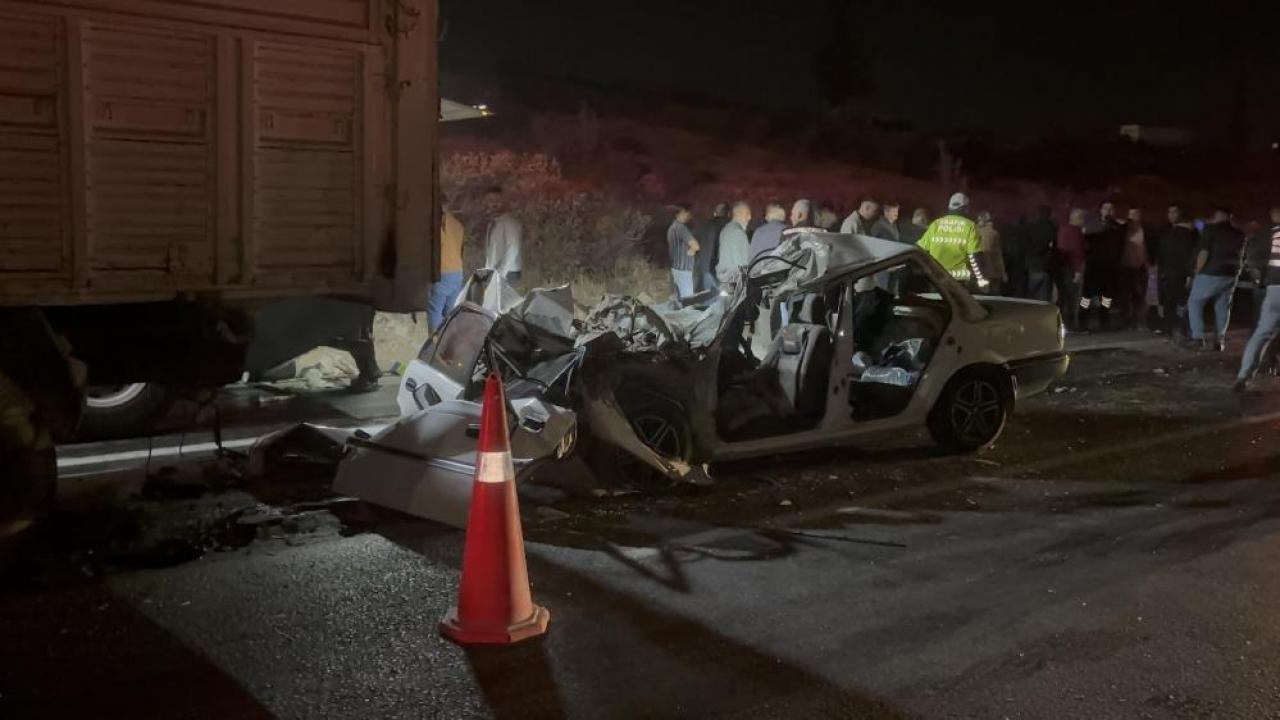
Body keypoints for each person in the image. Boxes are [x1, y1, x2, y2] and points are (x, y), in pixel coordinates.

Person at [1185, 208, 1245, 351]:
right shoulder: (1239, 233)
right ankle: (1220, 340)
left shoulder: (1210, 230)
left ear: (1216, 215)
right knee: (1222, 306)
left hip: (1211, 272)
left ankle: (1198, 337)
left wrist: (1196, 272)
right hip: (1231, 273)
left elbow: (1204, 253)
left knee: (1194, 302)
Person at [1235, 208, 1280, 390]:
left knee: (1262, 333)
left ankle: (1244, 375)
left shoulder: (1268, 235)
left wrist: (1262, 279)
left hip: (1275, 287)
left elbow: (1253, 259)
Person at [917, 192, 987, 289]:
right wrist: (981, 279)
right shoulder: (970, 226)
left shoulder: (936, 224)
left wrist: (925, 270)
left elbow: (920, 249)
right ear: (966, 209)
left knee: (936, 304)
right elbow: (974, 256)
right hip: (958, 281)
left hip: (936, 278)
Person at [1080, 201, 1125, 330]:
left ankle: (1104, 319)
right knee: (1087, 295)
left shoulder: (1117, 227)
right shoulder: (1092, 225)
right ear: (1100, 210)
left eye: (1111, 208)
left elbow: (1120, 247)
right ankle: (1083, 318)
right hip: (1093, 265)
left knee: (1107, 295)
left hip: (1109, 267)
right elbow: (1085, 244)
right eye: (1105, 208)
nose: (1108, 211)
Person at [1156, 205, 1198, 339]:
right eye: (1169, 212)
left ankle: (1174, 328)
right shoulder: (1169, 233)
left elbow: (1188, 254)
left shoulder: (1183, 234)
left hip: (1176, 273)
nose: (1171, 215)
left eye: (1174, 212)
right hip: (1174, 273)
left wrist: (1189, 273)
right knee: (1176, 302)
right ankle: (1176, 328)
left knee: (1176, 302)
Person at [426, 207, 466, 333]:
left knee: (434, 311)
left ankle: (435, 345)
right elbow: (461, 250)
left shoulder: (433, 224)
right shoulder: (457, 224)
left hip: (442, 272)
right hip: (458, 272)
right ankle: (449, 342)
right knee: (451, 312)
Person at [481, 186, 523, 284]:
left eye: (497, 200)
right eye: (490, 200)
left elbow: (513, 249)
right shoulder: (492, 223)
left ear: (504, 201)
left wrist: (500, 274)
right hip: (496, 272)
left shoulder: (509, 222)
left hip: (507, 273)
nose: (493, 203)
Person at [1055, 208, 1087, 332]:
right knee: (1073, 299)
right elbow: (1078, 252)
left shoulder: (1061, 230)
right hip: (1072, 269)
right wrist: (1078, 271)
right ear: (1077, 219)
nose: (1083, 221)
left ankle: (1060, 323)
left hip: (1061, 269)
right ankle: (1071, 324)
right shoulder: (1076, 232)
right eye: (1082, 218)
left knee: (1062, 297)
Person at [1121, 207, 1152, 330]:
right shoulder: (1123, 230)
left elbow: (1149, 247)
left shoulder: (1145, 230)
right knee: (1124, 295)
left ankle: (1138, 320)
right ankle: (1125, 320)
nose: (1133, 217)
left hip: (1140, 267)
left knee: (1138, 295)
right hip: (1124, 267)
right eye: (1131, 214)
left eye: (1136, 214)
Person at [1023, 205, 1057, 302]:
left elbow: (1026, 245)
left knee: (1032, 292)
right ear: (1049, 214)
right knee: (1045, 295)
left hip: (1033, 263)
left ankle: (1031, 313)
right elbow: (1055, 247)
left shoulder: (1030, 227)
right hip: (1047, 264)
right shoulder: (1053, 227)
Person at [693, 202, 729, 292]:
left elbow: (693, 238)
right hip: (725, 267)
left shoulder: (706, 225)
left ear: (714, 213)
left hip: (707, 265)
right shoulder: (732, 226)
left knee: (707, 294)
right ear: (728, 214)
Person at [716, 201, 752, 285]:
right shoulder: (738, 232)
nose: (750, 218)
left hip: (724, 279)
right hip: (734, 281)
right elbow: (742, 263)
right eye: (747, 214)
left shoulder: (726, 229)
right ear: (739, 214)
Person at [667, 204, 698, 301]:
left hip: (675, 268)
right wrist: (692, 250)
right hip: (684, 270)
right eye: (686, 213)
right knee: (688, 301)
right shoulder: (681, 228)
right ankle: (687, 315)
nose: (687, 216)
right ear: (679, 214)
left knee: (677, 299)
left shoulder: (671, 229)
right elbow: (696, 246)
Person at [976, 211, 1006, 294]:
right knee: (995, 293)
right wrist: (1003, 273)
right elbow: (998, 254)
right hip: (994, 270)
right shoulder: (994, 233)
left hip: (979, 269)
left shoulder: (975, 232)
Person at [1001, 215, 1028, 298]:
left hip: (1008, 255)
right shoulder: (1022, 231)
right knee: (1017, 277)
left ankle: (1007, 293)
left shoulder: (1007, 230)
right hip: (1018, 256)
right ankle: (1017, 295)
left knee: (1009, 276)